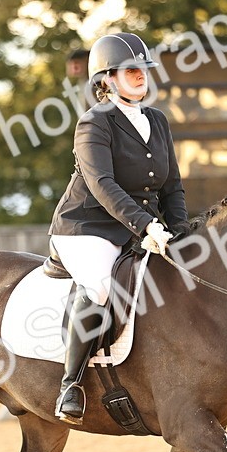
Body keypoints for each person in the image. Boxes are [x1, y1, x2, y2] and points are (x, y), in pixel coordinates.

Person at [47, 32, 190, 424]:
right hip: (87, 226)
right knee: (99, 286)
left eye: (144, 69)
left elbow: (172, 185)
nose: (141, 75)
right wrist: (147, 226)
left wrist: (181, 230)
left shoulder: (157, 121)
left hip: (138, 228)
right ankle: (71, 385)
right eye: (131, 70)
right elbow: (102, 185)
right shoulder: (94, 123)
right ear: (107, 79)